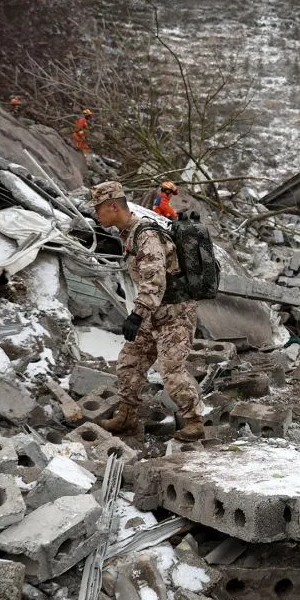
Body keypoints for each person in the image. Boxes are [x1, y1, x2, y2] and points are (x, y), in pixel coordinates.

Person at [87, 181, 204, 441]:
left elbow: (155, 279)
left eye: (99, 210)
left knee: (171, 371)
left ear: (114, 206)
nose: (97, 215)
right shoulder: (128, 234)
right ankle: (127, 416)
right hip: (153, 313)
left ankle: (194, 421)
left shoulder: (145, 235)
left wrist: (137, 314)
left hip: (174, 314)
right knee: (129, 363)